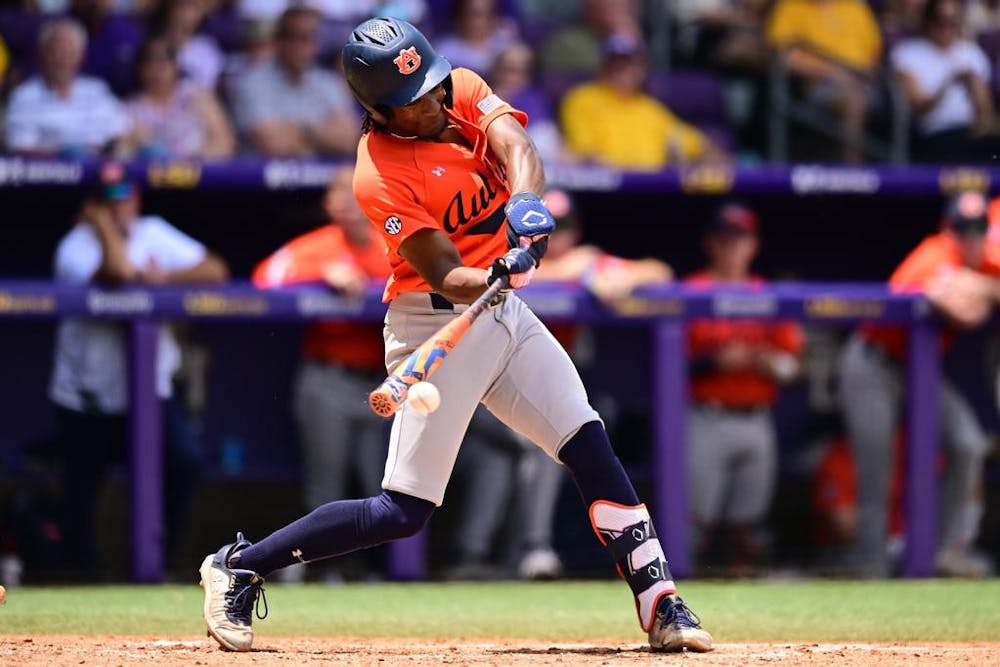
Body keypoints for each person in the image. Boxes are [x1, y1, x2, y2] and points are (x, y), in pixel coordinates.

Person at [198, 17, 712, 654]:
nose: (438, 102)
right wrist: (498, 269)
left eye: (437, 86)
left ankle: (660, 600)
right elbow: (443, 269)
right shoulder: (379, 173)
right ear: (380, 111)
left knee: (588, 444)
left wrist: (526, 204)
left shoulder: (457, 87)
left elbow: (517, 147)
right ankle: (240, 565)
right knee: (402, 512)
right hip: (435, 320)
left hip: (506, 317)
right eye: (417, 102)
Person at [49, 162, 229, 576]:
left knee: (183, 464)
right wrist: (99, 225)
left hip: (149, 392)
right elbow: (120, 273)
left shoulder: (153, 231)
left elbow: (215, 270)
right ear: (92, 206)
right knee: (82, 491)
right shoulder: (75, 245)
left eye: (127, 198)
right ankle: (80, 575)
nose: (121, 207)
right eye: (109, 201)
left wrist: (165, 277)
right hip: (88, 394)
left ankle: (161, 564)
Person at [838, 189, 1000, 578]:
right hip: (874, 362)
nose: (972, 237)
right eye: (964, 228)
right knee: (878, 467)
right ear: (949, 228)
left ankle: (945, 551)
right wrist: (982, 289)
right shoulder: (935, 253)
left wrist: (981, 285)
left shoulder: (984, 262)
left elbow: (976, 296)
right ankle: (871, 565)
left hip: (920, 370)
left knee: (967, 443)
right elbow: (964, 311)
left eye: (980, 228)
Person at [251, 165, 391, 581]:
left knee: (384, 489)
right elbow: (264, 278)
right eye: (341, 195)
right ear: (329, 204)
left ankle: (377, 574)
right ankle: (312, 573)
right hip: (327, 378)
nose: (350, 203)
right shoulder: (318, 246)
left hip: (384, 382)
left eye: (358, 194)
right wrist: (320, 276)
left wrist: (371, 285)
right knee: (325, 485)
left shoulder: (392, 243)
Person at [683, 203, 804, 576]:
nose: (733, 247)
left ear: (753, 244)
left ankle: (746, 614)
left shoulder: (767, 294)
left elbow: (793, 365)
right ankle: (683, 595)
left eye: (741, 239)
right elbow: (669, 367)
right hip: (707, 415)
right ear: (710, 243)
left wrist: (766, 361)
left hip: (756, 417)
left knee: (748, 530)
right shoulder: (692, 290)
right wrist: (716, 361)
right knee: (694, 525)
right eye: (725, 239)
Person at [560, 33, 729, 170]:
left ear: (642, 69)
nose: (623, 70)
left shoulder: (650, 108)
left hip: (651, 191)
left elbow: (695, 145)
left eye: (629, 64)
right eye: (616, 63)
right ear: (603, 66)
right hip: (604, 192)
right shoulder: (582, 98)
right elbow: (584, 154)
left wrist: (714, 158)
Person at [231, 6, 359, 157]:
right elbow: (272, 143)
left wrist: (299, 132)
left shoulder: (327, 83)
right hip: (261, 178)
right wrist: (322, 135)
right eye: (291, 36)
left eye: (305, 37)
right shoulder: (251, 83)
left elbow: (349, 139)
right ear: (278, 40)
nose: (297, 45)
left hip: (321, 177)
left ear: (316, 43)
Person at [765, 0, 883, 162]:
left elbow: (874, 52)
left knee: (889, 96)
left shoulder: (855, 7)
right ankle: (854, 172)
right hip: (817, 84)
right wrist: (833, 73)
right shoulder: (790, 6)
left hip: (861, 81)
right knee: (854, 101)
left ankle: (903, 168)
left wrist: (861, 75)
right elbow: (785, 57)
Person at [891, 0, 1000, 163]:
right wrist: (948, 83)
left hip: (972, 133)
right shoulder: (907, 53)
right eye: (940, 21)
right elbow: (918, 110)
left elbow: (986, 117)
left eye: (952, 22)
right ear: (927, 20)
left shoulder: (971, 52)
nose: (946, 28)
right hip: (933, 134)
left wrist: (975, 88)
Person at [4, 18, 129, 157]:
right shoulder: (24, 96)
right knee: (76, 153)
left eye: (68, 51)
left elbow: (122, 134)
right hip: (51, 172)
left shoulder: (98, 91)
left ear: (81, 56)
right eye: (55, 51)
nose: (61, 58)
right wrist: (69, 154)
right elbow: (20, 147)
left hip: (101, 168)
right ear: (41, 54)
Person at [124, 36, 235, 160]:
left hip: (201, 173)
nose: (156, 69)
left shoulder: (196, 96)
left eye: (163, 61)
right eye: (149, 62)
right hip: (151, 176)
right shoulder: (130, 109)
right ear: (140, 68)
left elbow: (224, 143)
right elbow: (124, 154)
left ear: (176, 65)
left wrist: (190, 163)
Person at [435, 0, 519, 75]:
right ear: (460, 16)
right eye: (471, 13)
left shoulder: (506, 43)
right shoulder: (445, 50)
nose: (475, 21)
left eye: (483, 13)